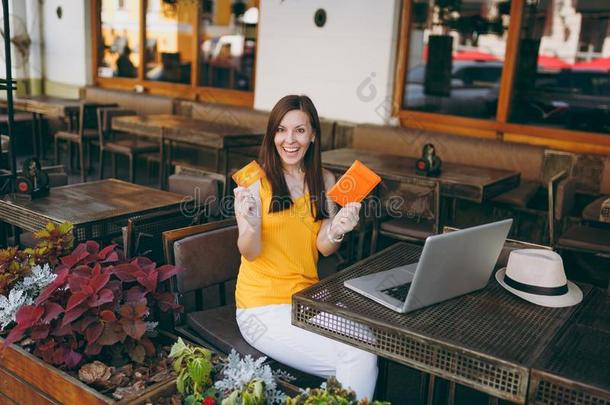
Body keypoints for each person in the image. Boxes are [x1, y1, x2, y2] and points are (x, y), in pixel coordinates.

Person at [233, 95, 378, 400]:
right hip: (262, 308)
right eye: (281, 130)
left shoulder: (324, 180)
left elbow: (323, 247)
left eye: (299, 130)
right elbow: (249, 251)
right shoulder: (255, 182)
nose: (290, 139)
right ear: (272, 135)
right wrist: (251, 222)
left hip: (308, 299)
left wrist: (338, 229)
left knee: (367, 344)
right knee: (357, 358)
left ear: (313, 135)